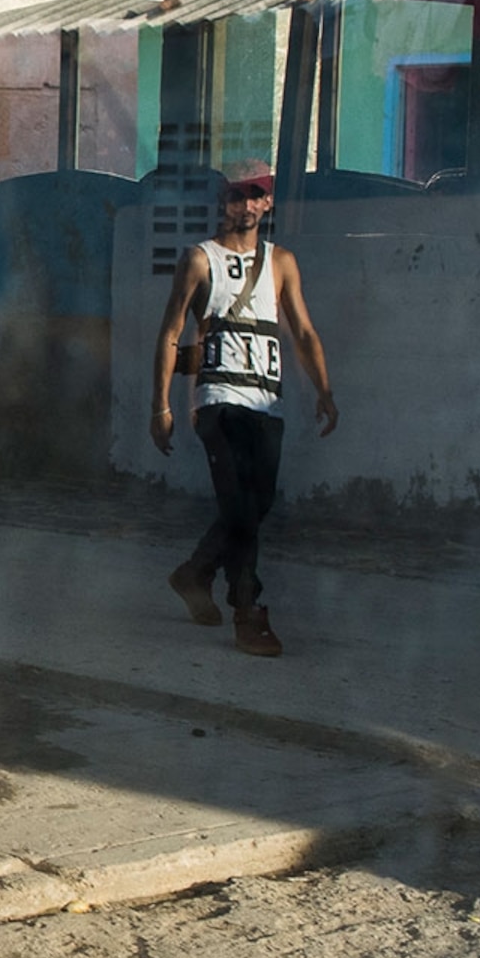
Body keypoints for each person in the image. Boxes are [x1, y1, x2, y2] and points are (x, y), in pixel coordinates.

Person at [149, 161, 337, 657]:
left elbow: (303, 331)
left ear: (268, 202)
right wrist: (160, 406)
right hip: (217, 401)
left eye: (256, 195)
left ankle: (194, 573)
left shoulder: (281, 262)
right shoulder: (199, 259)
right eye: (237, 195)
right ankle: (247, 609)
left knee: (257, 503)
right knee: (238, 504)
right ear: (223, 201)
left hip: (265, 400)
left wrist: (325, 390)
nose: (246, 205)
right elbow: (170, 334)